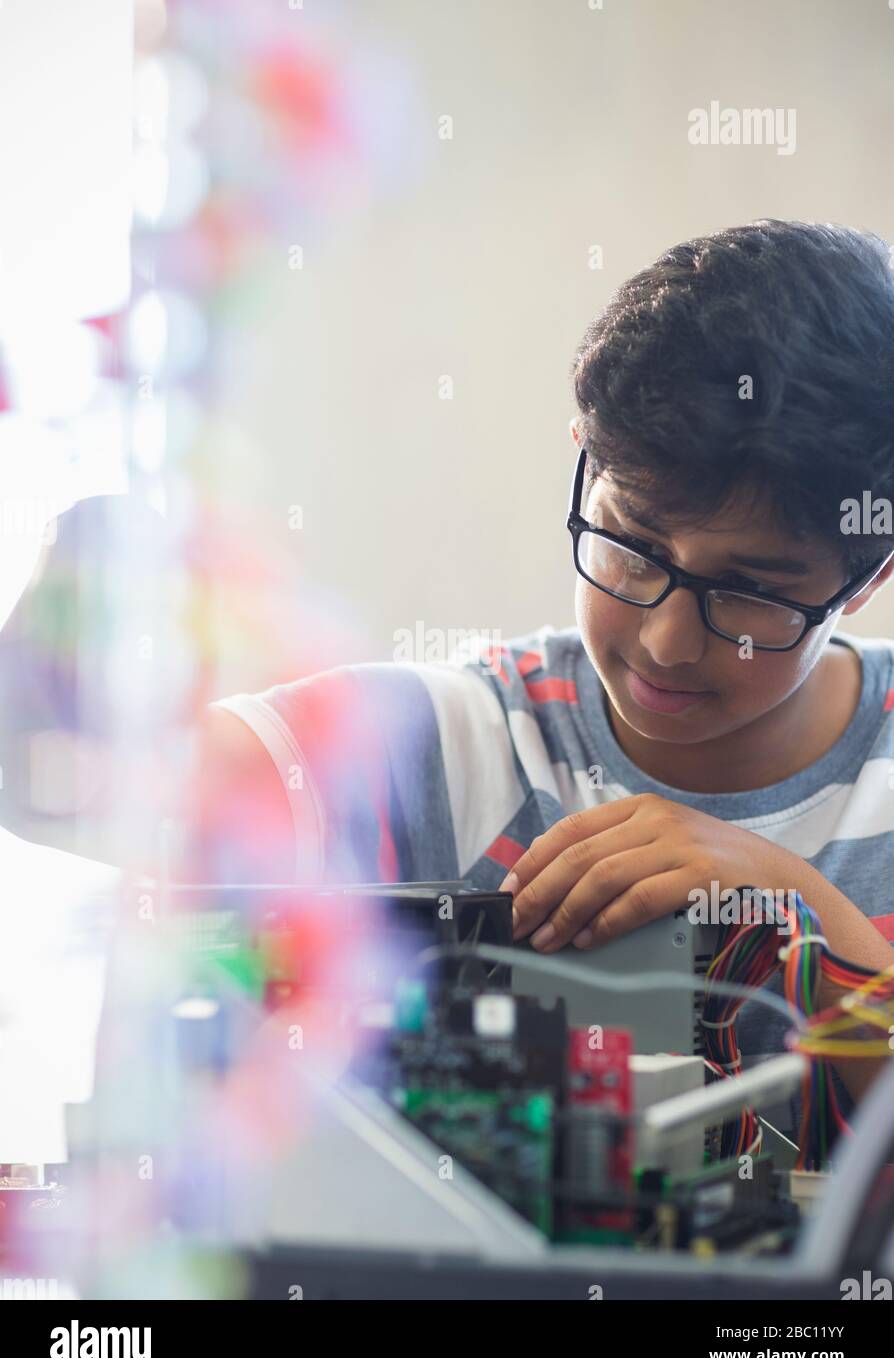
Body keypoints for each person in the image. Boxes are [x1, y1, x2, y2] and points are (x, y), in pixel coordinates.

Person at [187, 219, 894, 1125]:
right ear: (587, 464)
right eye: (633, 547)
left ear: (868, 578)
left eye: (749, 590)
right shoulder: (448, 746)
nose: (668, 639)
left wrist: (794, 903)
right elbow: (68, 778)